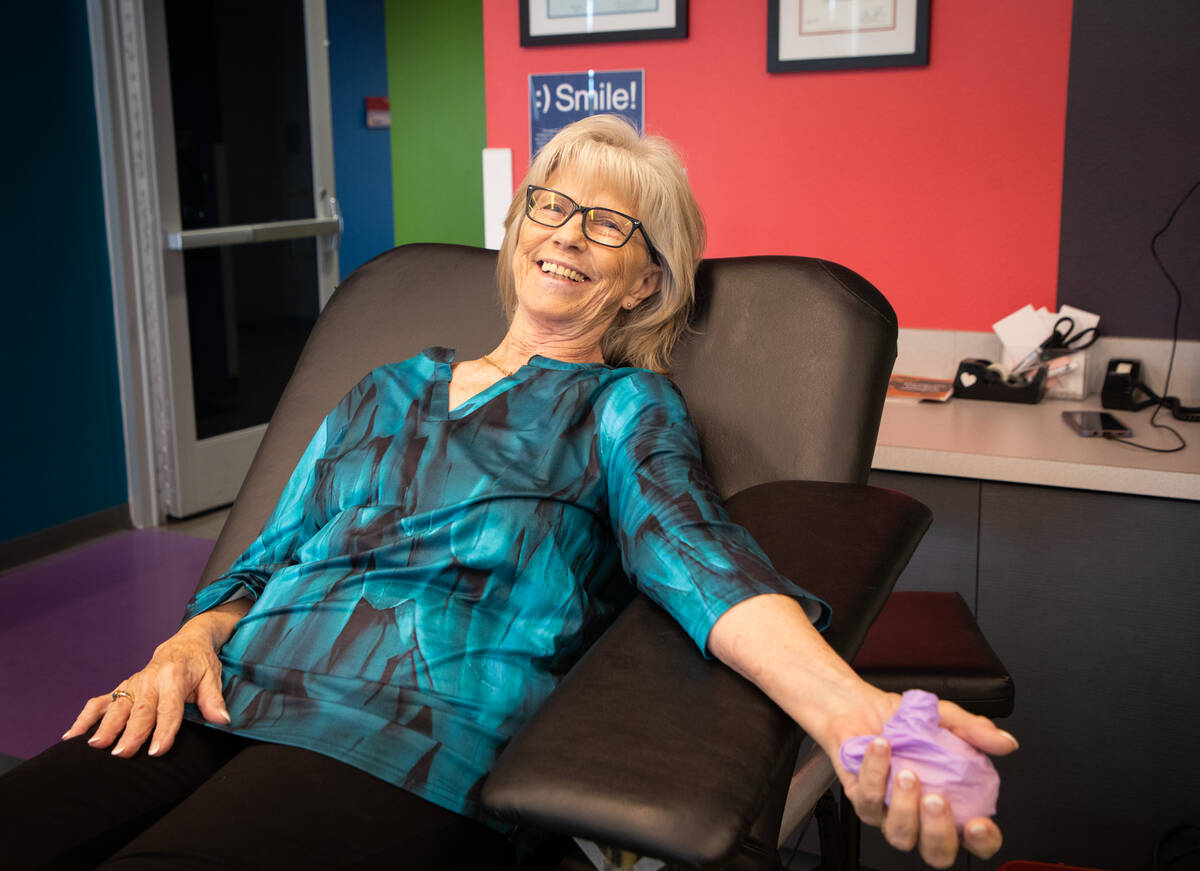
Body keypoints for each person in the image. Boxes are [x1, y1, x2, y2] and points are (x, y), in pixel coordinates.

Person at [0, 115, 1015, 870]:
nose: (568, 232)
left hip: (406, 732)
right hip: (228, 691)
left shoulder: (623, 407)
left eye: (611, 224)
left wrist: (852, 711)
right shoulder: (385, 384)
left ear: (647, 283)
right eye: (552, 203)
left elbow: (699, 560)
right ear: (519, 226)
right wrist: (183, 643)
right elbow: (266, 555)